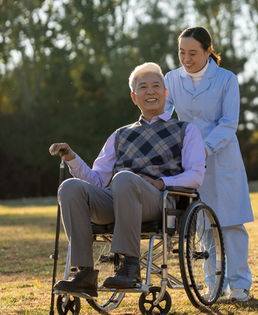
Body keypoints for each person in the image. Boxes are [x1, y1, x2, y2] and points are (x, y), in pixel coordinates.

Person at [49, 62, 206, 297]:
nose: (150, 91)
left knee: (123, 179)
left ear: (165, 93)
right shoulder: (120, 134)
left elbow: (196, 175)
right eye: (143, 87)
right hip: (116, 199)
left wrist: (162, 182)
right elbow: (97, 179)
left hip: (159, 201)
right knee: (70, 187)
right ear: (134, 97)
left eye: (156, 86)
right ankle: (84, 273)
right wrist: (72, 158)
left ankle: (130, 266)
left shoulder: (185, 130)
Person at [164, 26, 254, 303]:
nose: (186, 59)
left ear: (207, 52)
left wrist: (201, 149)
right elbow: (163, 117)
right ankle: (213, 286)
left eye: (193, 53)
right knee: (201, 224)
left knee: (230, 223)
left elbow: (229, 124)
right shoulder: (171, 79)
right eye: (182, 52)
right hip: (188, 164)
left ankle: (240, 286)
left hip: (222, 158)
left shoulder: (227, 80)